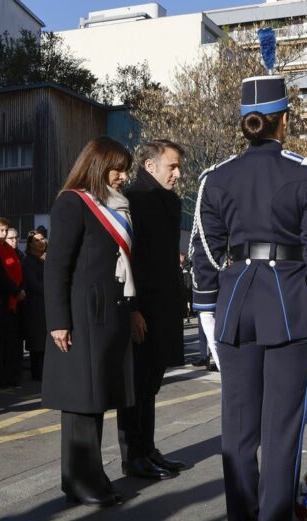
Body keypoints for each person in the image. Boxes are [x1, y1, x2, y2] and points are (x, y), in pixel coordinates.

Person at [190, 32, 307, 521]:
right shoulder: (305, 175)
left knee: (237, 429)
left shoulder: (214, 178)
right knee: (281, 431)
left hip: (234, 303)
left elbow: (203, 251)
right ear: (285, 119)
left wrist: (207, 311)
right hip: (290, 301)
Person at [42, 136, 137, 507]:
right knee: (81, 402)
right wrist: (58, 322)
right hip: (81, 316)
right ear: (98, 165)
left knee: (96, 400)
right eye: (118, 168)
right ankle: (80, 481)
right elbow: (57, 268)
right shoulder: (73, 203)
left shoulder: (116, 206)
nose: (124, 176)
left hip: (109, 312)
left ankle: (93, 475)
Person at [118, 139, 189, 480]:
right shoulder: (133, 199)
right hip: (142, 305)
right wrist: (132, 308)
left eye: (178, 167)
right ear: (150, 167)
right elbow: (126, 261)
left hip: (163, 305)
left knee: (152, 384)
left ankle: (147, 448)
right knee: (137, 384)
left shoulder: (168, 200)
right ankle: (133, 454)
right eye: (172, 166)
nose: (178, 173)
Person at [0, 217, 25, 387]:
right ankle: (0, 378)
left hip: (12, 299)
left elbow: (16, 270)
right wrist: (16, 290)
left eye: (6, 230)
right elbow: (0, 274)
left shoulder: (8, 248)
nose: (4, 233)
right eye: (1, 230)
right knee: (0, 341)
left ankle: (11, 376)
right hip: (2, 298)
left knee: (11, 340)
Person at [20, 230, 47, 382]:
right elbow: (34, 285)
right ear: (30, 244)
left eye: (42, 239)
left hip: (45, 305)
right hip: (35, 306)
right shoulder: (29, 261)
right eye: (37, 241)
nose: (41, 242)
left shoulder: (46, 259)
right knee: (37, 342)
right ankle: (38, 373)